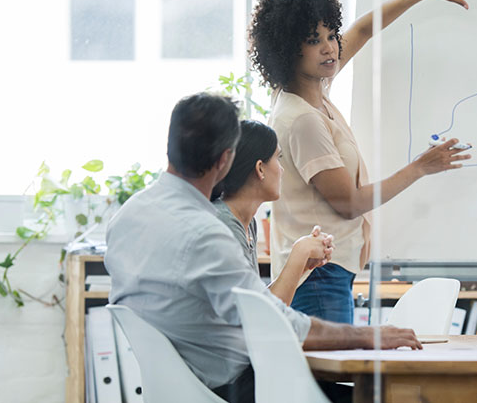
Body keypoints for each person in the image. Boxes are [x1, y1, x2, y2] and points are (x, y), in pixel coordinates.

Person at [106, 93, 420, 403]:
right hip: (231, 388)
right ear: (225, 160)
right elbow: (274, 323)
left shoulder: (128, 216)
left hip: (178, 387)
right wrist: (368, 336)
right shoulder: (206, 232)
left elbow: (248, 306)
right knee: (389, 397)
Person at [249, 0, 477, 323]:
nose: (329, 48)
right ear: (287, 50)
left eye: (331, 35)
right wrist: (421, 167)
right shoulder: (303, 119)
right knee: (330, 377)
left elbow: (362, 29)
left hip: (326, 271)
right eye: (314, 41)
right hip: (319, 277)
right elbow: (349, 202)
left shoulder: (311, 90)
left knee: (329, 374)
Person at [211, 120, 333, 305]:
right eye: (278, 158)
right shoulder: (224, 225)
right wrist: (300, 252)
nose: (282, 170)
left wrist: (302, 264)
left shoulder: (245, 222)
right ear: (260, 168)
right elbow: (258, 314)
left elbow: (255, 303)